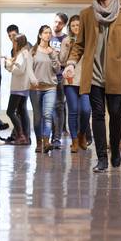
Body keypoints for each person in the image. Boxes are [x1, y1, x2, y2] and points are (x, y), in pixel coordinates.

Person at [64, 0, 121, 173]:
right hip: (94, 75)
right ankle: (102, 158)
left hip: (117, 75)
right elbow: (79, 45)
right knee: (97, 115)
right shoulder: (87, 14)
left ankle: (115, 149)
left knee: (115, 115)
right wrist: (71, 63)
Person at [60, 15, 92, 153]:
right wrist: (67, 48)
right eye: (73, 26)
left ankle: (82, 134)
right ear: (70, 27)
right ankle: (74, 140)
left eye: (78, 25)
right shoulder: (66, 40)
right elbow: (61, 60)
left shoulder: (88, 40)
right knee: (73, 111)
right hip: (70, 81)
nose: (75, 28)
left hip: (85, 80)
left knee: (86, 110)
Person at [30, 25, 60, 153]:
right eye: (45, 33)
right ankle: (38, 142)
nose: (48, 35)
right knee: (37, 118)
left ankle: (46, 142)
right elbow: (29, 70)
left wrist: (53, 56)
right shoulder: (33, 51)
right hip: (35, 88)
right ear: (40, 35)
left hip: (50, 87)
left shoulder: (52, 51)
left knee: (47, 115)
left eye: (49, 33)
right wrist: (32, 81)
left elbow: (57, 69)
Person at [4, 34, 37, 146]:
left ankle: (21, 135)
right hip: (23, 87)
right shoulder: (24, 53)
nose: (13, 44)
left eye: (14, 42)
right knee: (21, 111)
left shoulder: (22, 54)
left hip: (19, 87)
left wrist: (8, 64)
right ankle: (25, 137)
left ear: (19, 43)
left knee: (10, 111)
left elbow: (19, 70)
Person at [50, 13, 69, 148]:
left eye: (60, 23)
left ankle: (56, 137)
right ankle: (48, 135)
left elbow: (65, 59)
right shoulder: (47, 36)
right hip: (46, 75)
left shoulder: (66, 39)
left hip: (60, 75)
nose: (57, 25)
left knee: (59, 106)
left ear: (64, 25)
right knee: (48, 108)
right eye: (55, 22)